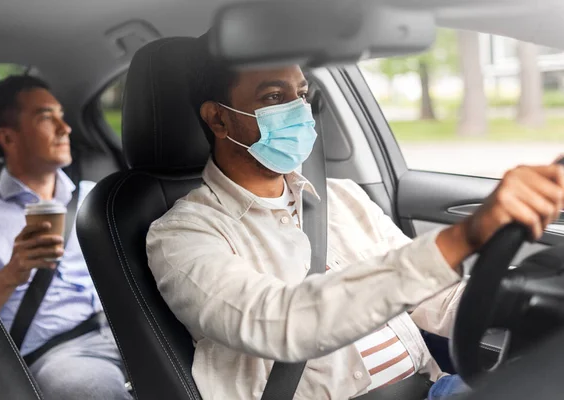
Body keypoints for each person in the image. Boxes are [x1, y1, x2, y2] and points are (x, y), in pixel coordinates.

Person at [145, 60, 564, 400]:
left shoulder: (341, 198)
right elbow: (279, 322)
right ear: (218, 119)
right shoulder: (182, 235)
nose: (298, 108)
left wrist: (530, 304)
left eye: (302, 94)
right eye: (274, 96)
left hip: (432, 389)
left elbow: (434, 296)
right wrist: (462, 238)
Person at [0, 75, 132, 400]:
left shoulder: (94, 197)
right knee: (85, 389)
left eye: (61, 115)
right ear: (8, 138)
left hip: (125, 327)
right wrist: (13, 272)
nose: (64, 127)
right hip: (57, 351)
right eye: (45, 117)